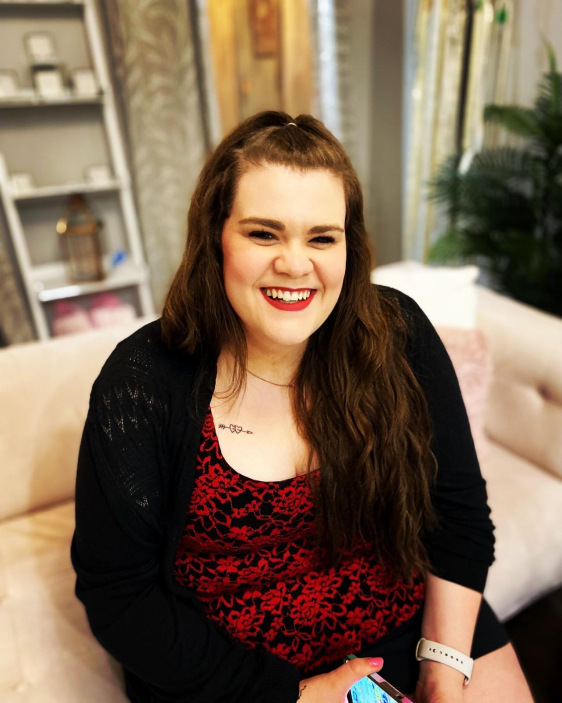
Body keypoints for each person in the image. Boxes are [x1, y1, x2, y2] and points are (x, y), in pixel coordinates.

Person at [70, 111, 533, 703]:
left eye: (321, 237)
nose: (295, 264)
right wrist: (292, 695)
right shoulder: (141, 382)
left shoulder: (398, 335)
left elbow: (459, 513)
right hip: (233, 674)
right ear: (215, 237)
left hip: (414, 629)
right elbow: (120, 598)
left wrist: (442, 668)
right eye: (264, 234)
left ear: (348, 247)